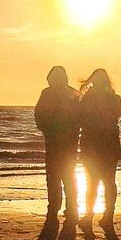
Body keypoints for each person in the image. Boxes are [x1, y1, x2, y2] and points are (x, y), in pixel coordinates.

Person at [34, 66, 81, 221]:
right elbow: (40, 116)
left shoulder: (51, 93)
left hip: (58, 140)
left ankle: (57, 208)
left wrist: (48, 129)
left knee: (56, 175)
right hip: (65, 140)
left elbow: (40, 116)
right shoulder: (71, 93)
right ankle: (68, 208)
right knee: (66, 174)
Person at [78, 68, 121, 229]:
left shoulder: (90, 98)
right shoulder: (114, 98)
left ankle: (94, 215)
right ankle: (105, 215)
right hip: (106, 144)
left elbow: (81, 118)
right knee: (107, 181)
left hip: (95, 144)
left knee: (95, 182)